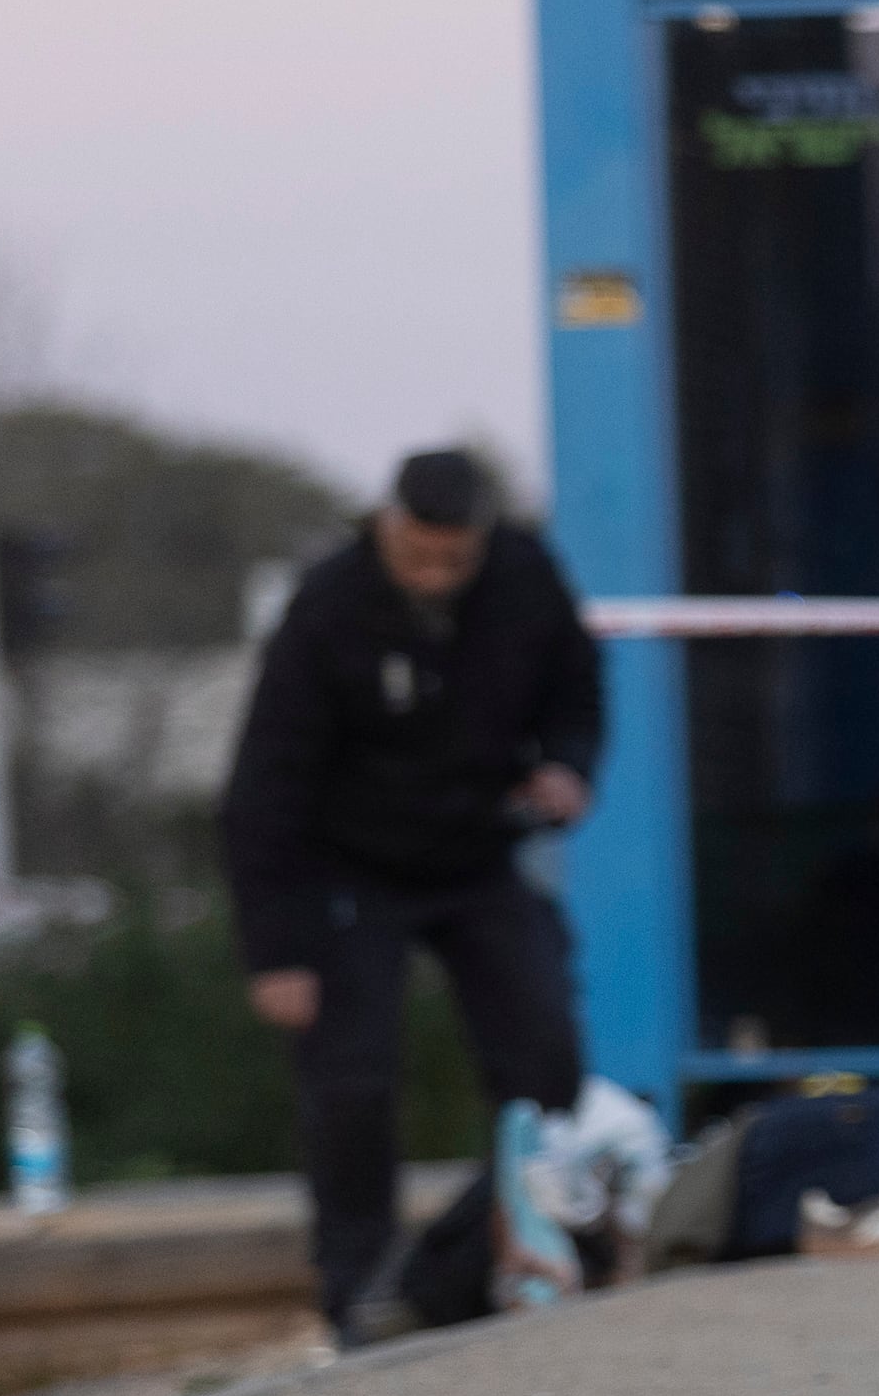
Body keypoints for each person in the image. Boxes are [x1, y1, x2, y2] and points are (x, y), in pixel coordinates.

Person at [219, 448, 600, 1343]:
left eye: (455, 559)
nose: (436, 575)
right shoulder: (327, 608)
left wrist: (566, 767)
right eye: (419, 555)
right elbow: (262, 790)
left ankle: (508, 1250)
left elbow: (578, 692)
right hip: (351, 871)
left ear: (484, 540)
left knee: (546, 1060)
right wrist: (275, 950)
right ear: (387, 528)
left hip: (477, 854)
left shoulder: (526, 576)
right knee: (350, 1084)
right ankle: (357, 1290)